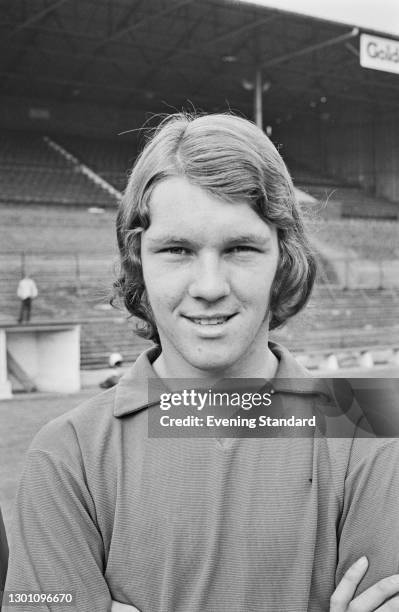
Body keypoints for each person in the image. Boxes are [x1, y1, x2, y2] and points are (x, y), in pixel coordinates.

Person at [4, 113, 399, 612]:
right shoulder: (66, 456)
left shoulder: (370, 425)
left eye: (239, 248)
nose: (209, 287)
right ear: (137, 261)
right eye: (176, 249)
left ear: (284, 255)